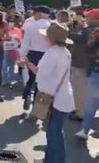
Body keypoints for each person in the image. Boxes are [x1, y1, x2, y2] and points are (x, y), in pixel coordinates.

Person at [25, 23, 74, 163]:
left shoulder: (52, 53)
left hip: (55, 97)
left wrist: (28, 64)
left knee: (54, 132)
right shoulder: (65, 51)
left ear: (51, 39)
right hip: (62, 96)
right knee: (55, 131)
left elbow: (40, 74)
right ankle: (51, 159)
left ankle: (55, 160)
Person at [19, 6, 51, 111]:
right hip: (47, 56)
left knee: (30, 78)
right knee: (41, 80)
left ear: (39, 14)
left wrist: (21, 57)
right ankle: (36, 102)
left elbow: (25, 44)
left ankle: (27, 95)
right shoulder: (52, 26)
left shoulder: (31, 26)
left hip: (32, 54)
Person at [75, 9, 99, 139]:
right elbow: (88, 48)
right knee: (91, 103)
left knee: (91, 103)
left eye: (90, 17)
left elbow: (88, 49)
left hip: (96, 73)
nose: (87, 19)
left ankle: (85, 130)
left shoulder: (94, 31)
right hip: (95, 71)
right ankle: (85, 130)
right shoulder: (95, 32)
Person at [68, 15, 90, 121]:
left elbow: (80, 39)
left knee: (79, 90)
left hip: (82, 64)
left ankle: (80, 114)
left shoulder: (89, 31)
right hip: (82, 64)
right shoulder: (87, 30)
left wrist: (67, 29)